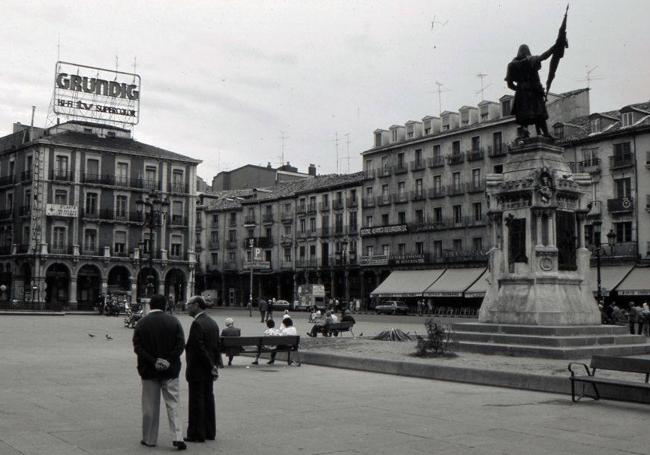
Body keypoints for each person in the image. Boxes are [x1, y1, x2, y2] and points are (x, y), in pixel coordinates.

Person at [132, 294, 186, 451]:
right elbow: (180, 344)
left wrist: (154, 360)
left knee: (150, 407)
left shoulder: (142, 323)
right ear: (165, 306)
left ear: (150, 305)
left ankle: (149, 439)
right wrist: (168, 359)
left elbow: (138, 347)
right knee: (173, 404)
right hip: (170, 370)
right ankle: (177, 437)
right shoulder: (174, 321)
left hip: (149, 371)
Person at [184, 295, 220, 444]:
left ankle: (197, 433)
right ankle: (209, 431)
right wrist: (215, 366)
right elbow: (216, 347)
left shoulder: (197, 324)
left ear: (197, 305)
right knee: (208, 399)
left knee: (196, 402)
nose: (187, 306)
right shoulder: (212, 322)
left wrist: (210, 365)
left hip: (198, 369)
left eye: (189, 304)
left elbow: (199, 348)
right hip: (209, 369)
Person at [505, 44, 556, 139]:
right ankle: (545, 133)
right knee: (539, 113)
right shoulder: (530, 60)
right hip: (534, 92)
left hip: (521, 94)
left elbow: (509, 85)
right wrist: (554, 48)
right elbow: (543, 56)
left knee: (523, 116)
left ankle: (525, 133)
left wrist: (520, 89)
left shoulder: (511, 65)